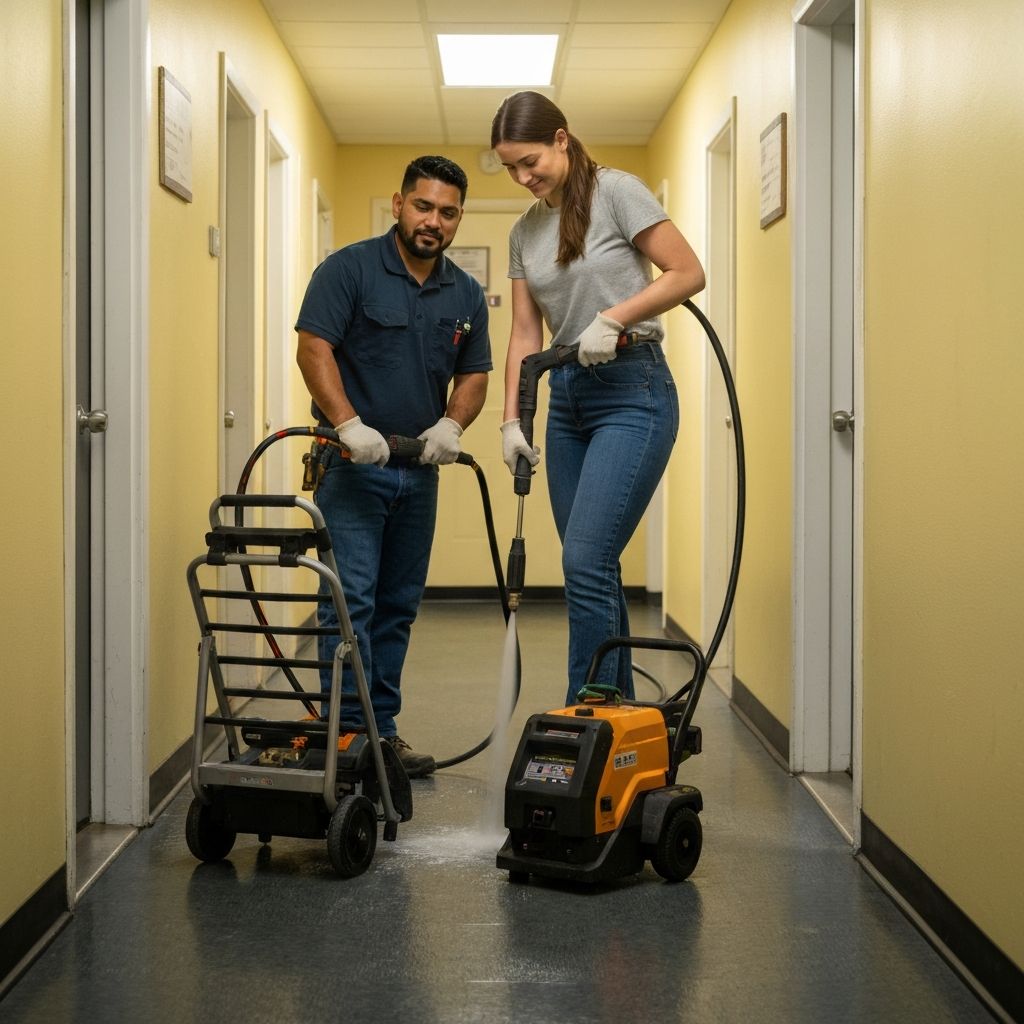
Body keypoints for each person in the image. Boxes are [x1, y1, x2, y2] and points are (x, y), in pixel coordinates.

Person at [491, 91, 705, 706]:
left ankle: (582, 716)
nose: (522, 177)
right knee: (592, 568)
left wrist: (612, 319)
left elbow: (687, 272)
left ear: (562, 138)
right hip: (568, 399)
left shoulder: (617, 191)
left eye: (529, 161)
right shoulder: (524, 230)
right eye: (510, 168)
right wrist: (512, 420)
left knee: (585, 559)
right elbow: (526, 334)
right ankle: (622, 723)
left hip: (633, 389)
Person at [294, 155, 491, 777]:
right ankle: (347, 738)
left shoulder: (462, 291)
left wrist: (452, 425)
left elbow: (476, 373)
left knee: (399, 604)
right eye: (424, 206)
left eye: (448, 212)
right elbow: (313, 347)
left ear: (459, 218)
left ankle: (382, 732)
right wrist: (349, 425)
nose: (434, 221)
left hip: (418, 471)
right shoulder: (348, 269)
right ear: (400, 204)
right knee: (350, 603)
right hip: (350, 468)